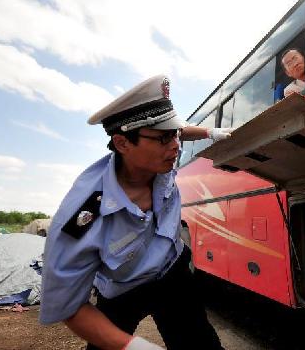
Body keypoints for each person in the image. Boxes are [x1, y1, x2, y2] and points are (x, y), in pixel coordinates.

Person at [39, 75, 231, 350]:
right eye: (165, 138)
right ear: (122, 144)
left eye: (174, 135)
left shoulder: (159, 159)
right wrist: (133, 346)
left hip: (172, 273)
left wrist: (210, 133)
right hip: (121, 290)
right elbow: (68, 306)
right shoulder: (83, 215)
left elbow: (177, 131)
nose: (176, 146)